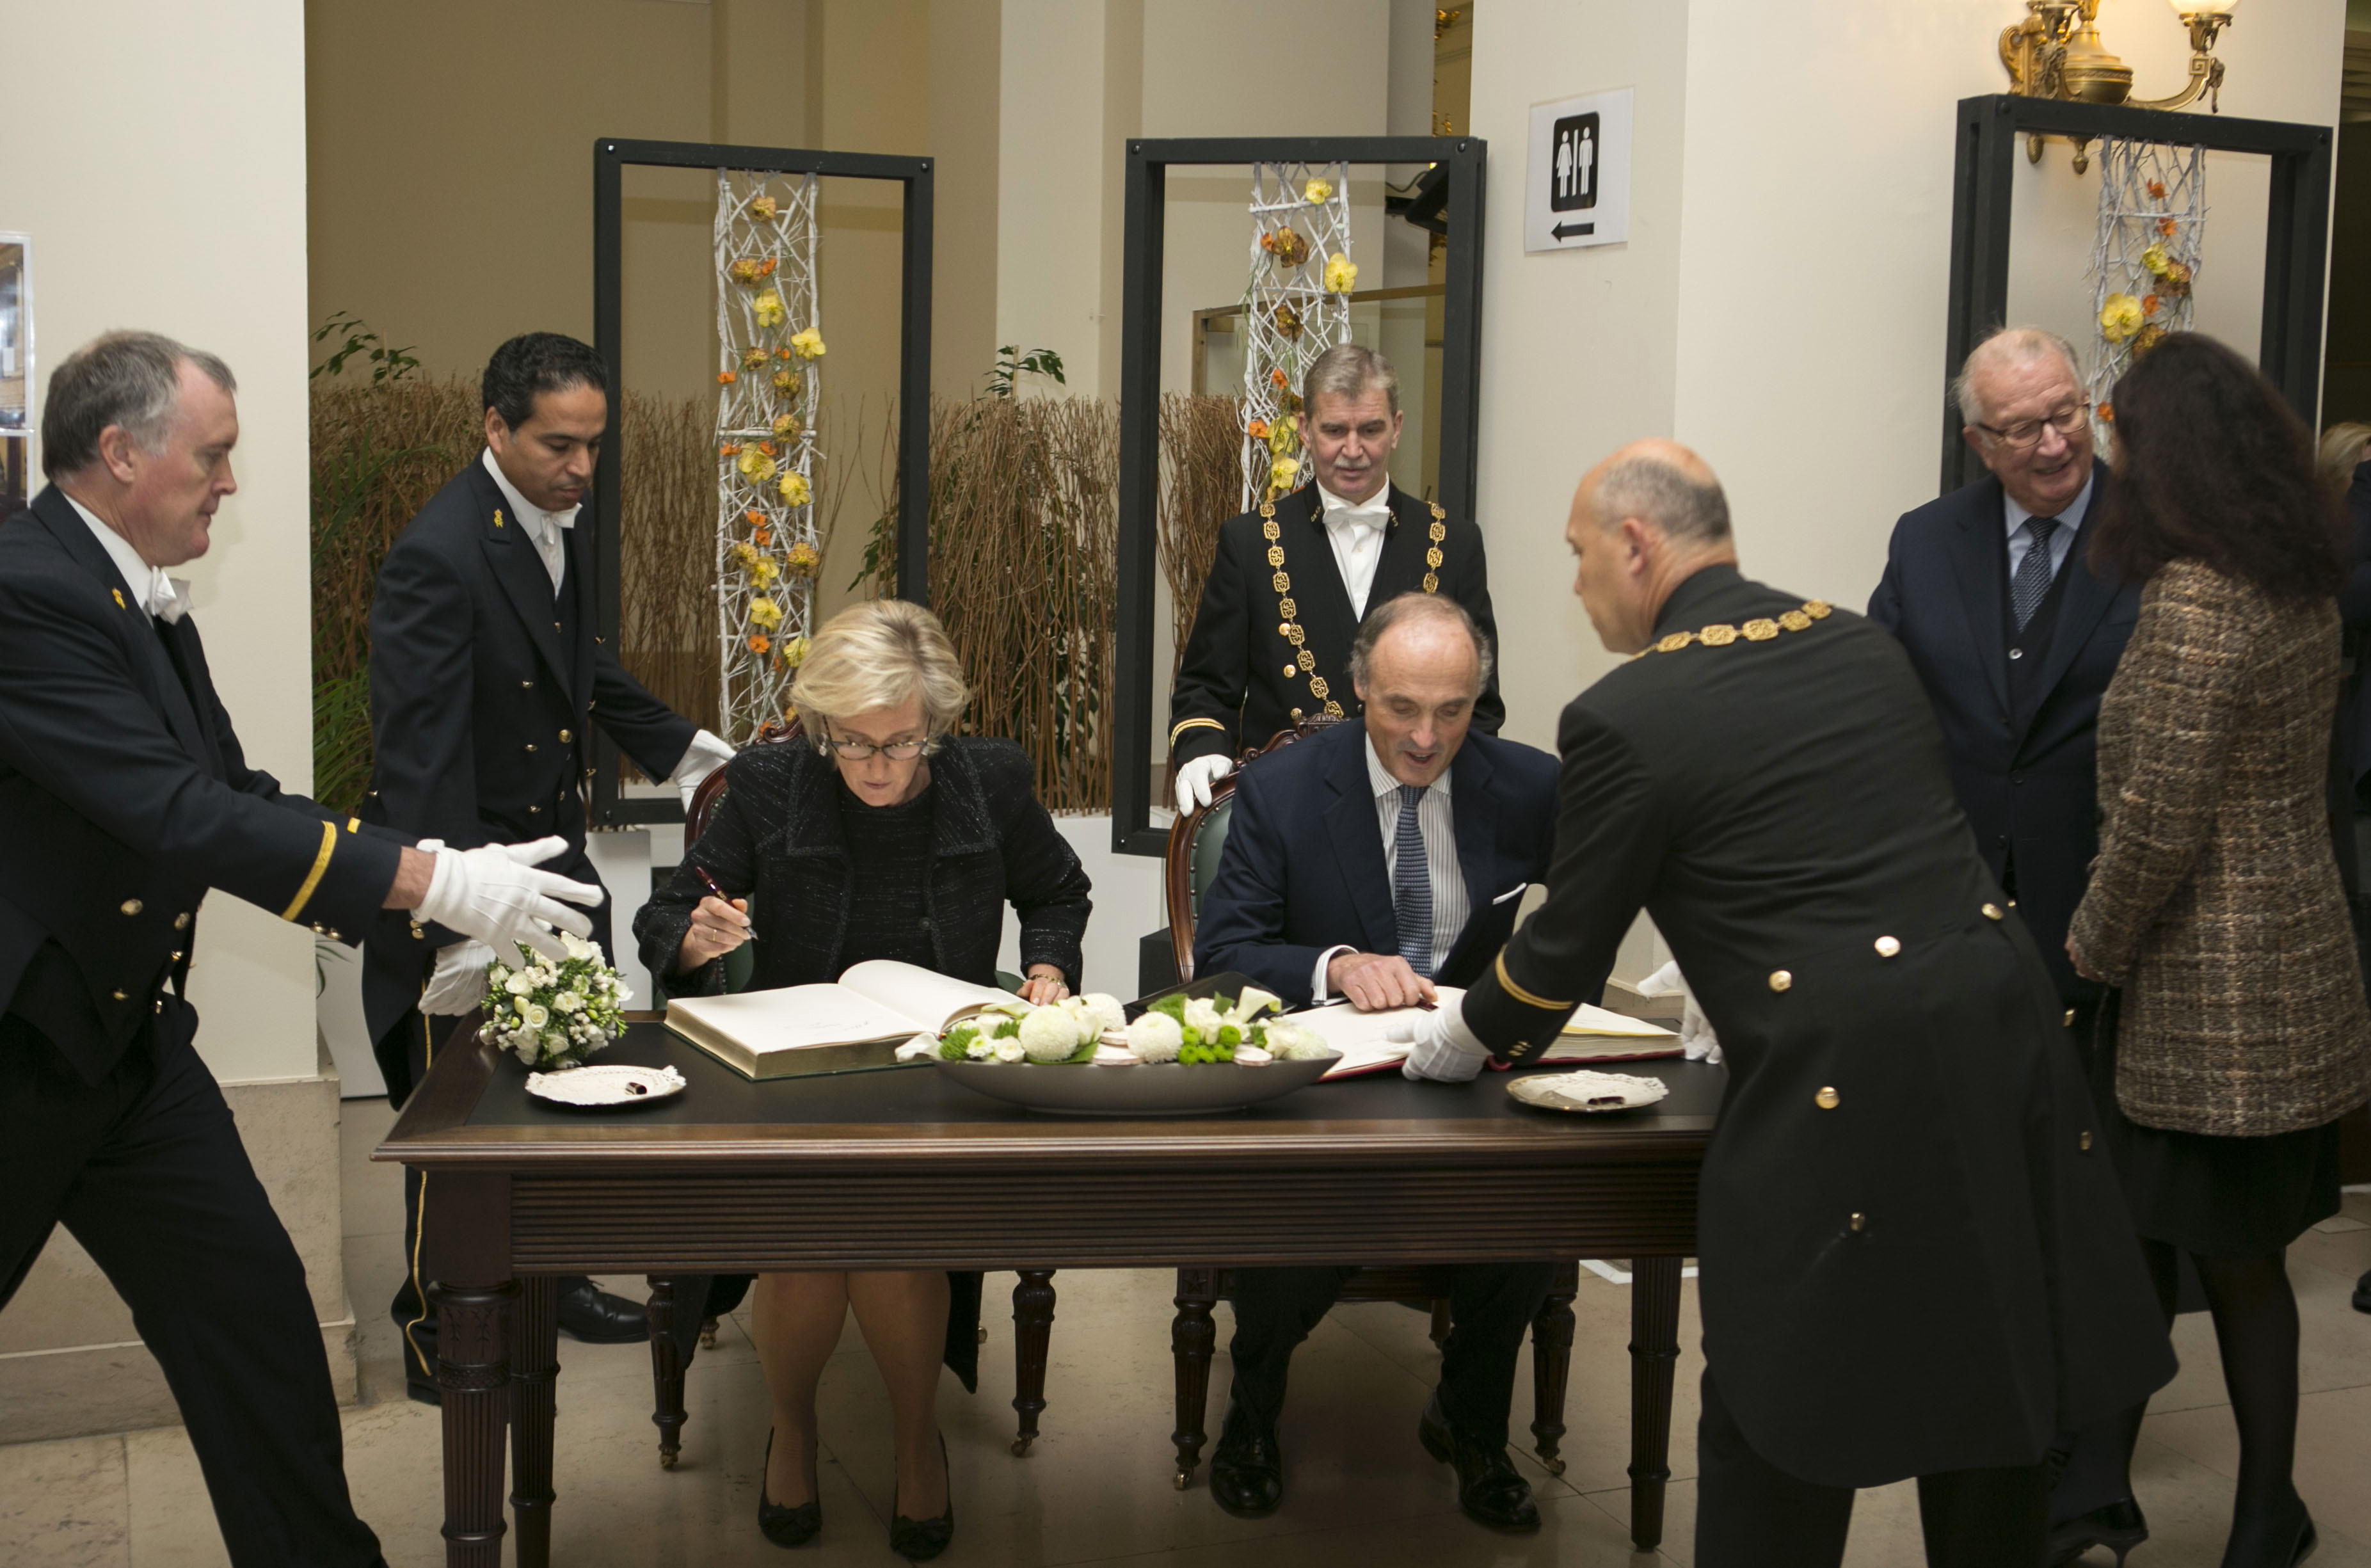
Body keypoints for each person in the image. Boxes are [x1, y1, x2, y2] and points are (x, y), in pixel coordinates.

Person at [1392, 439, 2173, 1568]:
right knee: (1994, 1371)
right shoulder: (1858, 647)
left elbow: (1557, 960)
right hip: (2002, 1043)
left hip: (1839, 1081)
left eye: (1577, 556)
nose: (1575, 585)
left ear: (1636, 544)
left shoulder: (1627, 715)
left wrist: (1455, 1039)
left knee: (1786, 1402)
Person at [0, 331, 602, 1567]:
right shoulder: (27, 585)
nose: (230, 483)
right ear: (120, 452)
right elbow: (175, 815)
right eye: (213, 456)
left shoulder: (134, 590)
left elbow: (230, 786)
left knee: (259, 1327)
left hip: (121, 1047)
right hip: (16, 1040)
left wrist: (419, 884)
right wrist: (430, 874)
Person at [634, 598, 1090, 1559]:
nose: (879, 764)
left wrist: (1047, 966)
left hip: (939, 1069)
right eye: (853, 743)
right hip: (798, 1069)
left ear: (939, 720)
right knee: (805, 1243)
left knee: (894, 1241)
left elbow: (1057, 889)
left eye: (902, 741)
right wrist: (692, 936)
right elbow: (672, 914)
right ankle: (792, 1428)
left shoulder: (989, 779)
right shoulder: (766, 782)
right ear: (819, 727)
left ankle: (914, 1434)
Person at [362, 332, 737, 1393]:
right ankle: (439, 1331)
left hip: (551, 859)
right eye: (557, 445)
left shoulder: (551, 521)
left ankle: (556, 1280)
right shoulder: (438, 554)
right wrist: (458, 914)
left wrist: (689, 749)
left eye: (594, 446)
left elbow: (579, 665)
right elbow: (418, 754)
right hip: (471, 869)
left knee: (559, 1078)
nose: (581, 467)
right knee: (460, 1114)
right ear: (495, 428)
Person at [2065, 333, 2371, 1568]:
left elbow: (2161, 815)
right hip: (2292, 963)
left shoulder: (2197, 596)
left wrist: (2090, 948)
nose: (2111, 461)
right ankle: (2113, 1497)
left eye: (2122, 439)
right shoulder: (2295, 571)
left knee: (2208, 1264)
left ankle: (2252, 1516)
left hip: (2206, 989)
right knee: (2201, 1257)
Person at [1186, 593, 1565, 1532]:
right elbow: (1227, 951)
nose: (1427, 736)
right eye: (1400, 707)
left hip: (1472, 1072)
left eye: (1453, 709)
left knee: (1535, 1199)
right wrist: (1336, 965)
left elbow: (1595, 901)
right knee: (1309, 1203)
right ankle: (1254, 1410)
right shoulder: (1280, 789)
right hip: (1329, 1073)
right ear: (1359, 687)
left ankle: (1470, 1420)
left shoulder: (1526, 785)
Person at [1865, 324, 2146, 1558]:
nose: (2052, 443)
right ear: (1976, 441)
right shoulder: (1929, 541)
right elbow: (1882, 703)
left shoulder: (2157, 532)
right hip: (1960, 922)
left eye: (2066, 413)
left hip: (2115, 918)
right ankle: (2001, 1438)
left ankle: (2091, 1489)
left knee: (2100, 1210)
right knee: (1987, 1199)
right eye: (2022, 427)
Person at [1167, 342, 1503, 815]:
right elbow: (1205, 686)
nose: (1352, 450)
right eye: (1333, 430)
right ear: (1304, 430)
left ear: (1397, 428)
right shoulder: (1249, 543)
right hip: (1286, 809)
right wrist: (1201, 746)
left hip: (1415, 810)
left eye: (1370, 430)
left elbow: (1482, 705)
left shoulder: (1453, 544)